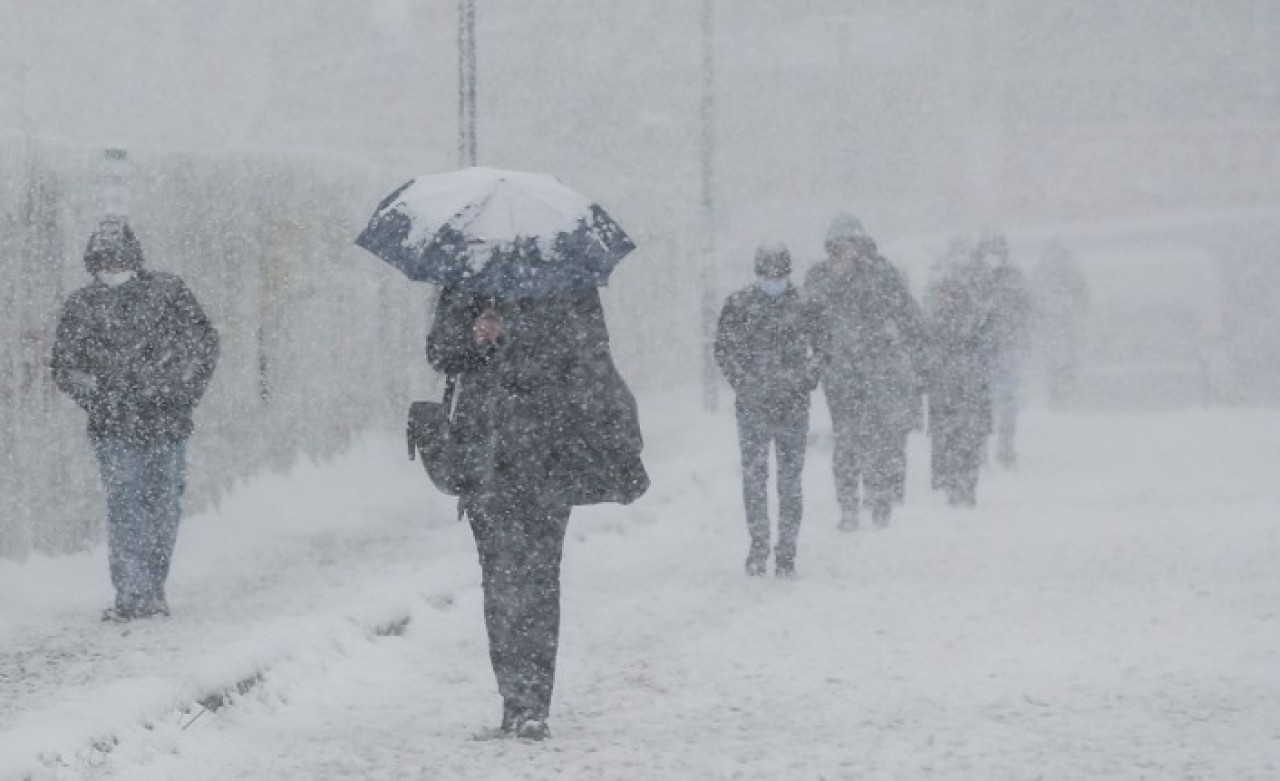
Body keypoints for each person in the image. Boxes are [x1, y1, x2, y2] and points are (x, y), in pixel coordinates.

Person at [427, 286, 647, 741]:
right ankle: (514, 698)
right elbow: (440, 353)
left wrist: (520, 335)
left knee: (539, 580)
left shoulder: (569, 284)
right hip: (484, 458)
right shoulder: (466, 280)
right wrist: (473, 338)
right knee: (498, 580)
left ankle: (533, 704)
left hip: (549, 454)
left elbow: (591, 358)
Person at [50, 217, 219, 621]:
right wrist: (102, 395)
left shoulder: (169, 292)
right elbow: (65, 365)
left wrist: (178, 389)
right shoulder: (81, 305)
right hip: (114, 426)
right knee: (126, 505)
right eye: (103, 258)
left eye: (118, 256)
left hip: (167, 422)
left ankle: (152, 587)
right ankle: (131, 593)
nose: (111, 265)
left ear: (134, 256)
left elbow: (203, 345)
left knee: (162, 507)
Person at [804, 214, 927, 531]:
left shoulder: (881, 272)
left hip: (878, 368)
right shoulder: (819, 275)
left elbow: (908, 314)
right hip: (839, 371)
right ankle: (847, 505)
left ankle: (880, 497)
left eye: (850, 245)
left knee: (880, 436)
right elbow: (807, 317)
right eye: (839, 246)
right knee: (846, 438)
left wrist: (914, 357)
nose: (845, 252)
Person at [714, 241, 820, 577]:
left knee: (789, 480)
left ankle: (786, 549)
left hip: (792, 405)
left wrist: (806, 377)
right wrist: (743, 381)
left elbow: (824, 346)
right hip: (753, 406)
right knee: (755, 477)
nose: (773, 280)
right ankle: (759, 544)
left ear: (789, 274)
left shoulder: (805, 304)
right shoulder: (739, 304)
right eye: (767, 274)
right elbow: (724, 349)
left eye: (779, 274)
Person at [925, 239, 995, 507]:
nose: (944, 300)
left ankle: (963, 485)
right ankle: (954, 485)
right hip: (949, 393)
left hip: (964, 391)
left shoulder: (968, 320)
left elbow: (983, 348)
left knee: (964, 441)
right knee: (950, 442)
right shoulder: (939, 321)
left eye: (948, 295)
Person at [979, 232, 1032, 468]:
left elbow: (1026, 310)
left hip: (1003, 346)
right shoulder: (981, 277)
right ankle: (989, 450)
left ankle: (1002, 448)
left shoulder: (1010, 277)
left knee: (1001, 401)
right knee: (987, 401)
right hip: (989, 347)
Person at [1032, 241, 1089, 408]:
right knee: (1054, 361)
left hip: (1065, 325)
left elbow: (1083, 297)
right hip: (1052, 326)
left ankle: (1063, 391)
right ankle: (1058, 392)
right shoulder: (1041, 274)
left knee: (1065, 360)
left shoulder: (1071, 274)